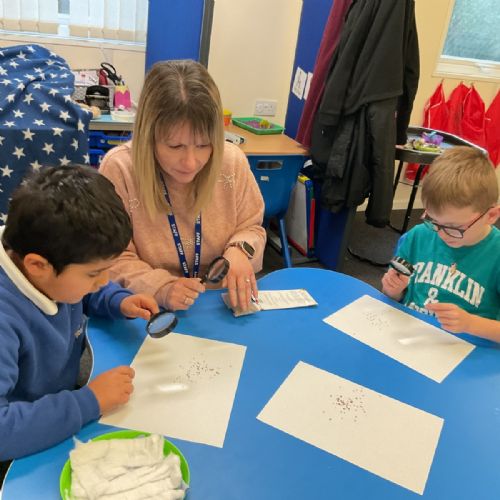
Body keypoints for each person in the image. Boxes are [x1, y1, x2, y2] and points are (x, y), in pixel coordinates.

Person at [0, 165, 159, 463]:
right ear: (37, 265)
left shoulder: (48, 257)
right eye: (95, 274)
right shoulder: (5, 320)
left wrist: (117, 301)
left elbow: (80, 289)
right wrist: (89, 401)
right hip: (25, 435)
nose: (104, 280)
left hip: (57, 397)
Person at [99, 60, 266, 313]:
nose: (190, 162)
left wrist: (240, 250)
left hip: (219, 303)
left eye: (204, 145)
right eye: (175, 146)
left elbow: (251, 227)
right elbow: (112, 257)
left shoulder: (231, 161)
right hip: (150, 307)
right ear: (149, 136)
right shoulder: (120, 168)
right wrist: (161, 287)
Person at [382, 146, 500, 341]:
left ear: (491, 216)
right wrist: (393, 291)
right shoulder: (418, 236)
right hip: (409, 337)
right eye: (434, 221)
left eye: (454, 227)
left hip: (465, 347)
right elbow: (396, 298)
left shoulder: (495, 254)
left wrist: (471, 324)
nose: (442, 234)